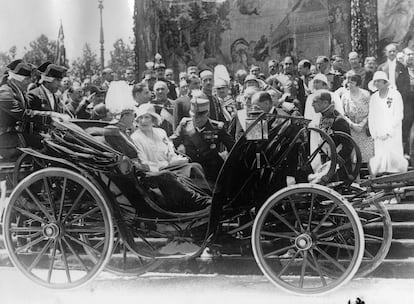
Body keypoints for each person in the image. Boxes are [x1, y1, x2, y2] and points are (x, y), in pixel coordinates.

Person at [102, 83, 210, 212]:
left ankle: (205, 197)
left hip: (152, 167)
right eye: (134, 116)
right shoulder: (127, 136)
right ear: (125, 116)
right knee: (166, 175)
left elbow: (167, 150)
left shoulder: (139, 133)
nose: (139, 120)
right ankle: (195, 202)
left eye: (146, 117)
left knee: (195, 167)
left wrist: (173, 159)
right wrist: (160, 165)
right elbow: (138, 160)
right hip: (144, 173)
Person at [171, 91, 235, 183]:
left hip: (213, 172)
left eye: (200, 116)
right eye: (194, 116)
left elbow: (232, 147)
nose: (197, 119)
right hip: (191, 171)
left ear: (208, 114)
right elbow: (172, 145)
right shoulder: (184, 125)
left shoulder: (217, 127)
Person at [368, 71, 408, 176]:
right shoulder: (374, 97)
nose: (377, 83)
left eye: (379, 81)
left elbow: (399, 115)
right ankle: (382, 181)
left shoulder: (395, 94)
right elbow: (371, 116)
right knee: (381, 160)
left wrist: (389, 131)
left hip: (392, 133)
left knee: (393, 159)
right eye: (375, 81)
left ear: (385, 82)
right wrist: (374, 132)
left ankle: (397, 179)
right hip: (379, 134)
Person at [377, 43, 411, 154]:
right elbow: (378, 85)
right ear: (386, 53)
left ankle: (401, 152)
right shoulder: (381, 67)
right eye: (390, 51)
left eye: (394, 51)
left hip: (399, 99)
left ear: (396, 52)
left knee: (399, 125)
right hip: (385, 100)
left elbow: (406, 85)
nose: (392, 53)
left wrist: (401, 99)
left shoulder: (402, 67)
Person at [341, 74, 374, 164]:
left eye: (352, 82)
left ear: (357, 83)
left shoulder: (366, 94)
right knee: (354, 156)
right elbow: (343, 114)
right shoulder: (345, 96)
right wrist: (352, 125)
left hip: (364, 128)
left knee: (368, 155)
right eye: (348, 82)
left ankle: (372, 176)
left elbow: (371, 110)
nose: (349, 84)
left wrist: (362, 124)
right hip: (352, 129)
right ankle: (357, 177)